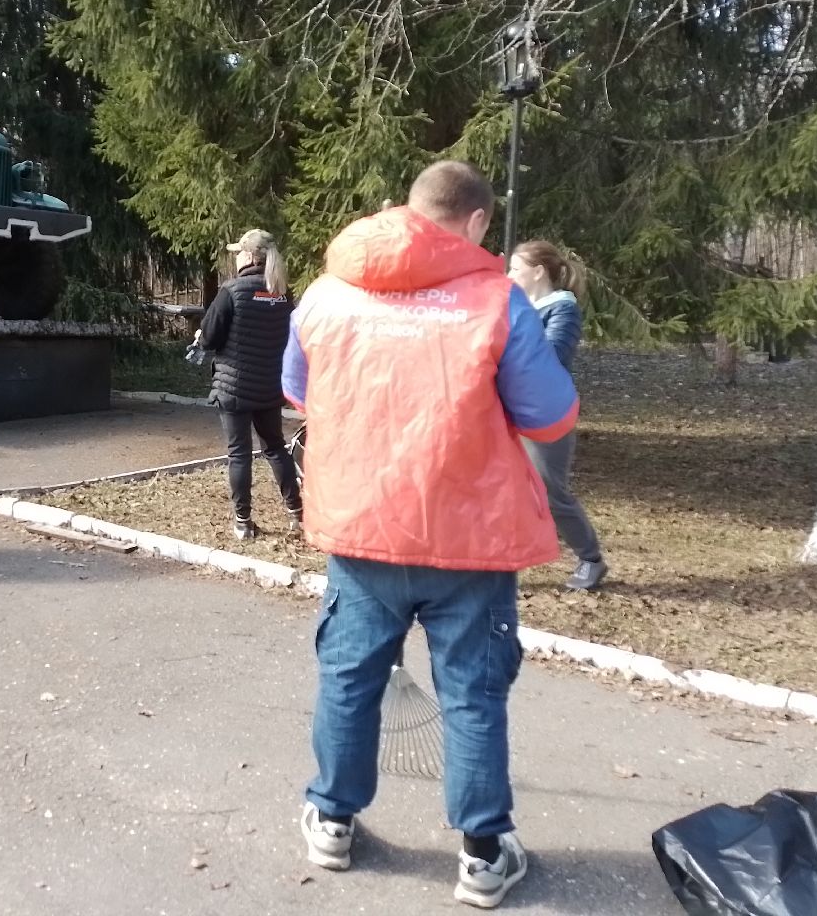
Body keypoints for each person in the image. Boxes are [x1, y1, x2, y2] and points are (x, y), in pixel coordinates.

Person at [283, 161, 578, 909]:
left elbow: (296, 389)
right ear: (476, 222)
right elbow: (550, 417)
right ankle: (482, 854)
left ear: (407, 213)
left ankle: (332, 819)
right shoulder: (497, 301)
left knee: (348, 679)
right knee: (473, 692)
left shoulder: (325, 293)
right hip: (468, 538)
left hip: (362, 527)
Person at [508, 240, 608, 591]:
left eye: (516, 269)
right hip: (510, 409)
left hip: (545, 413)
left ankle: (590, 559)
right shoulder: (517, 306)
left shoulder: (563, 310)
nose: (509, 276)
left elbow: (550, 359)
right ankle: (503, 561)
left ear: (538, 272)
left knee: (550, 491)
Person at [196, 228, 302, 540]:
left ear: (250, 256)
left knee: (239, 453)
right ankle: (297, 513)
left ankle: (243, 523)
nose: (238, 257)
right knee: (275, 449)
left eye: (239, 252)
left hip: (233, 389)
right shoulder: (283, 294)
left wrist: (201, 339)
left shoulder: (231, 291)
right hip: (269, 387)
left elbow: (210, 335)